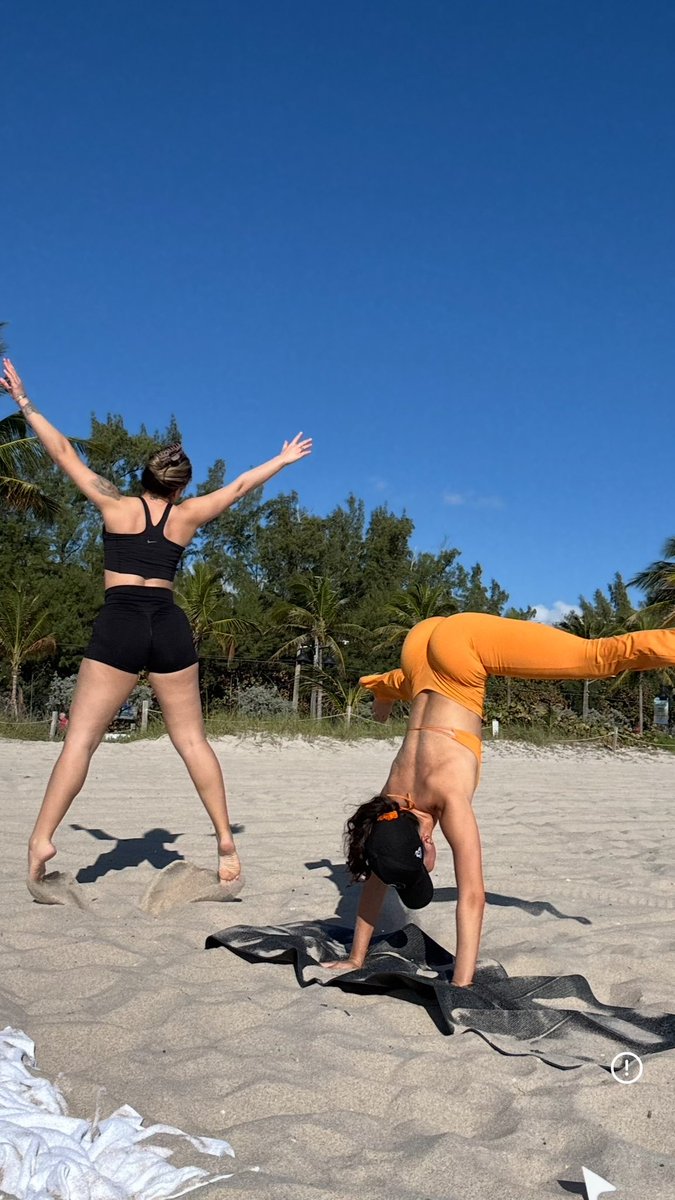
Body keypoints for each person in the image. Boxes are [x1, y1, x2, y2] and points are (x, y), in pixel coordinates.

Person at [1, 357, 312, 889]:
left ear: (142, 476)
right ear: (180, 487)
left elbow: (61, 452)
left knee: (80, 743)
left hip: (120, 622)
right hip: (168, 625)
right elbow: (238, 487)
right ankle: (224, 840)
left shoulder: (113, 504)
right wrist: (281, 461)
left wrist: (25, 403)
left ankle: (42, 838)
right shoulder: (187, 517)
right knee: (192, 741)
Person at [325, 612, 675, 986]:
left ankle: (386, 687)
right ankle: (383, 686)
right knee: (418, 683)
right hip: (417, 649)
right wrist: (356, 957)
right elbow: (378, 872)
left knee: (597, 656)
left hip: (463, 645)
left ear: (427, 842)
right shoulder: (387, 804)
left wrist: (461, 984)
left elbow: (472, 897)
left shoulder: (448, 798)